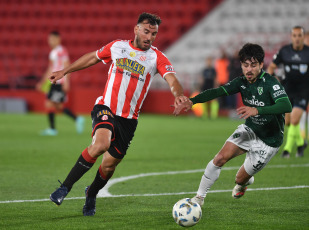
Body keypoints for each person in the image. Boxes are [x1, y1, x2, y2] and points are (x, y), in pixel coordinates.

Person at [48, 13, 188, 216]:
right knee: (101, 145)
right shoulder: (117, 47)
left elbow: (172, 79)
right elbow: (92, 57)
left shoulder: (156, 57)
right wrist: (65, 71)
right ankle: (64, 188)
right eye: (146, 31)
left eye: (154, 33)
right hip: (106, 108)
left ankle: (91, 194)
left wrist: (179, 95)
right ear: (136, 29)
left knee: (109, 164)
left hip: (128, 120)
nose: (150, 37)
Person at [173, 43, 292, 207]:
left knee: (239, 178)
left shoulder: (270, 83)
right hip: (250, 130)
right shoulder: (241, 82)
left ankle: (244, 183)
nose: (249, 70)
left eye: (253, 65)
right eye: (245, 65)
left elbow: (286, 106)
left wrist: (257, 110)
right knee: (220, 158)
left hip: (269, 141)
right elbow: (217, 92)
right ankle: (198, 198)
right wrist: (192, 101)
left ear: (261, 65)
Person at [267, 26, 309, 158]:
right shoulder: (285, 51)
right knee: (289, 122)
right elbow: (272, 67)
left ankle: (287, 150)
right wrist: (271, 80)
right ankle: (301, 143)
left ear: (303, 37)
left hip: (303, 90)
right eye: (295, 36)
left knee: (295, 120)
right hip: (288, 88)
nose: (297, 38)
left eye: (299, 36)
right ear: (291, 37)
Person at [36, 31, 84, 136]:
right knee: (58, 106)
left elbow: (67, 66)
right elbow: (50, 68)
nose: (50, 41)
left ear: (58, 39)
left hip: (59, 82)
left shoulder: (61, 51)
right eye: (49, 39)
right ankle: (77, 119)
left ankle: (52, 129)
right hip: (55, 82)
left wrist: (67, 82)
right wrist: (44, 82)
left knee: (49, 103)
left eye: (52, 39)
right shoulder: (54, 52)